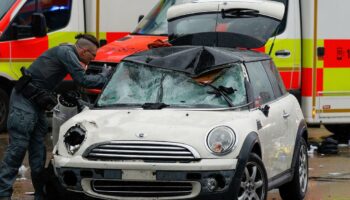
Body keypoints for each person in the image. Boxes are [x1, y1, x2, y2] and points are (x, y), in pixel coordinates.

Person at [0, 33, 112, 200]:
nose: (93, 58)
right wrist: (107, 76)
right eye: (92, 55)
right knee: (17, 149)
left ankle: (40, 194)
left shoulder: (68, 53)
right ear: (82, 50)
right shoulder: (66, 53)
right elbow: (84, 80)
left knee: (38, 155)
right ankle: (3, 194)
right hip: (24, 102)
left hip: (36, 105)